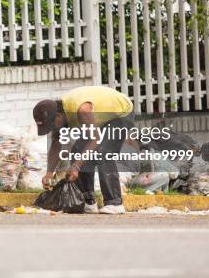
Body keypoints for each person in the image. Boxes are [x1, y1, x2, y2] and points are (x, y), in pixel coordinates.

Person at [33, 85, 139, 214]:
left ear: (58, 116)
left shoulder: (82, 110)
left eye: (51, 125)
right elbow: (56, 143)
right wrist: (49, 172)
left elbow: (95, 140)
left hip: (121, 113)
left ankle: (115, 203)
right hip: (100, 118)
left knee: (103, 152)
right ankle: (88, 201)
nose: (52, 129)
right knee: (77, 151)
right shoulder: (60, 117)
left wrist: (76, 166)